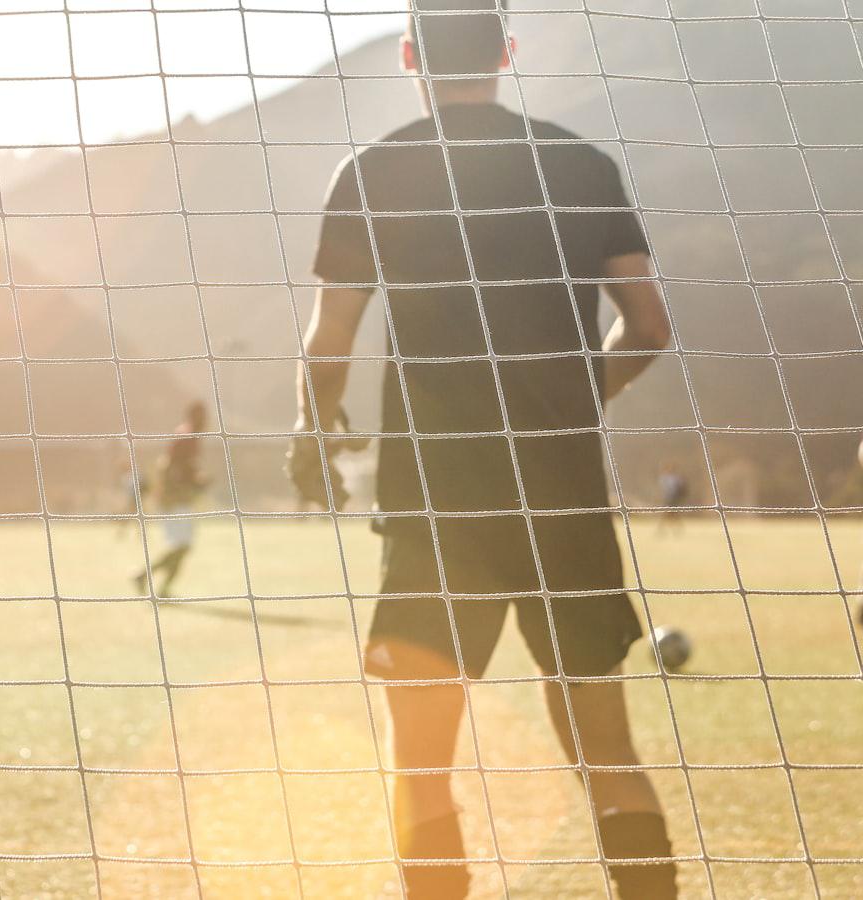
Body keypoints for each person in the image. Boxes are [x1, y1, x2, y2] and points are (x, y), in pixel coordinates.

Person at [288, 2, 678, 897]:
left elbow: (329, 340)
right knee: (608, 753)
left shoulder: (373, 171)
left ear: (407, 56)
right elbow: (650, 324)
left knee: (420, 764)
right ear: (505, 51)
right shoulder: (580, 164)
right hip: (562, 495)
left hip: (437, 498)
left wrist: (313, 430)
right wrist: (574, 397)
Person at [134, 402, 211, 598]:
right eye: (202, 416)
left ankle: (162, 587)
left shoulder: (190, 437)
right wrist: (194, 481)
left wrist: (196, 480)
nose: (206, 421)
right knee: (182, 546)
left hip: (178, 499)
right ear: (194, 416)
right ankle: (143, 576)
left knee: (183, 547)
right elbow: (173, 467)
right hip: (174, 500)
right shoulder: (186, 436)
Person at [657, 463, 689, 534]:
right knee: (668, 513)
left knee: (673, 513)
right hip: (668, 498)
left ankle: (675, 529)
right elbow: (664, 489)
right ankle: (665, 529)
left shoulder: (675, 478)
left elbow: (681, 487)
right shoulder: (665, 478)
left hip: (674, 498)